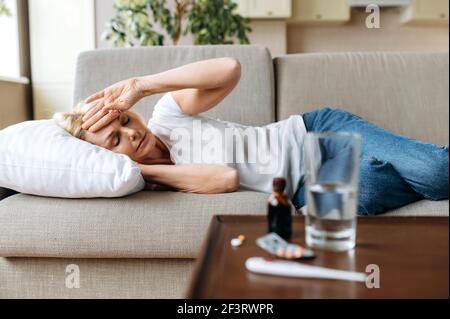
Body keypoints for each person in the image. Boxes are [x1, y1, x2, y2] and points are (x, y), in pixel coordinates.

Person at [54, 58, 449, 215]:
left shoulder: (167, 116)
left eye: (124, 120)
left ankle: (422, 164)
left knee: (435, 172)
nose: (130, 133)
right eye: (115, 141)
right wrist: (142, 170)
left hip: (315, 130)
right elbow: (225, 179)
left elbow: (229, 69)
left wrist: (142, 84)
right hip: (303, 187)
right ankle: (385, 163)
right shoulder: (151, 182)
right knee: (365, 192)